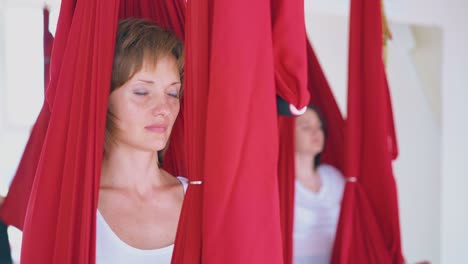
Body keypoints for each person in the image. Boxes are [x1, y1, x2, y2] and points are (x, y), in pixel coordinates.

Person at [95, 18, 186, 263]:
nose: (164, 109)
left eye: (173, 93)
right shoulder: (74, 206)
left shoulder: (197, 199)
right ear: (103, 97)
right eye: (142, 92)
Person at [293, 105, 345, 264]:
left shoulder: (335, 179)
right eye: (306, 127)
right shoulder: (280, 185)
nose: (316, 133)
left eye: (319, 127)